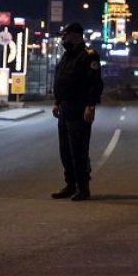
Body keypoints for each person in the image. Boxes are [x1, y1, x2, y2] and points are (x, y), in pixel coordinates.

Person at [51, 22, 103, 201]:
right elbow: (62, 80)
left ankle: (83, 187)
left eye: (65, 35)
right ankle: (70, 184)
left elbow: (94, 83)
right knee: (65, 150)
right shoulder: (67, 56)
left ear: (75, 35)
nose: (63, 38)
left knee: (78, 150)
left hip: (79, 108)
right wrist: (57, 102)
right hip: (64, 108)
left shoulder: (88, 56)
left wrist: (90, 105)